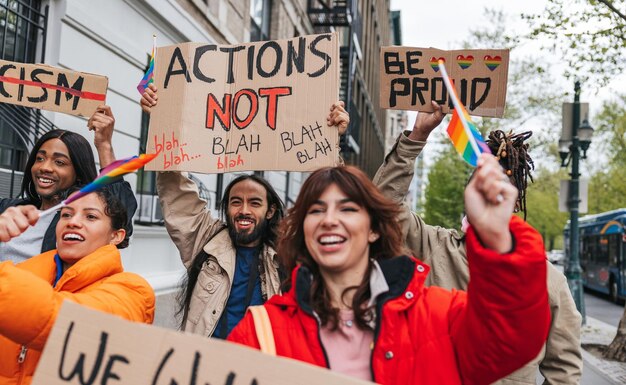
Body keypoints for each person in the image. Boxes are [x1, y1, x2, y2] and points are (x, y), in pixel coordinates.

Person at [228, 162, 550, 385]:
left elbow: (510, 341)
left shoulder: (439, 314)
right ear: (304, 231)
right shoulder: (260, 331)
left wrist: (497, 238)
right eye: (316, 210)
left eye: (348, 209)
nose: (329, 219)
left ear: (373, 231)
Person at [372, 102, 582, 384]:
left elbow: (564, 372)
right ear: (468, 193)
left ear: (515, 201)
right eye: (480, 187)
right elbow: (382, 209)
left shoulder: (548, 281)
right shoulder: (434, 245)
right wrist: (416, 137)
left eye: (499, 189)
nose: (489, 194)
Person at [140, 84, 349, 338]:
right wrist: (161, 122)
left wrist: (332, 143)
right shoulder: (206, 240)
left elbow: (332, 204)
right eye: (236, 202)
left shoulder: (289, 252)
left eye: (255, 203)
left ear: (271, 211)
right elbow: (175, 189)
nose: (244, 210)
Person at [0, 188, 155, 385]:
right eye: (66, 214)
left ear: (116, 236)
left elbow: (61, 319)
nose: (72, 222)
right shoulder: (21, 272)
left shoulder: (133, 291)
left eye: (90, 216)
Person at [0, 106, 137, 264]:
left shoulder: (79, 224)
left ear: (78, 172)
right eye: (40, 158)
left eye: (59, 162)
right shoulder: (7, 209)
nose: (45, 167)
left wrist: (104, 145)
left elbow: (120, 213)